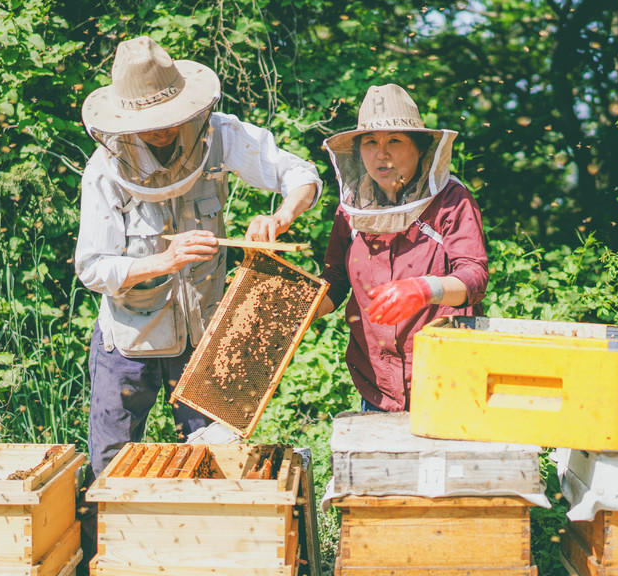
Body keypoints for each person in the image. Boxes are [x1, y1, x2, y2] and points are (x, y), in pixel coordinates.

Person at [75, 35, 321, 478]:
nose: (163, 129)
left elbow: (300, 173)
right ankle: (103, 548)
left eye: (169, 117)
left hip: (205, 336)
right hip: (131, 339)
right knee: (108, 470)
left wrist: (280, 217)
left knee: (218, 464)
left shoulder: (219, 134)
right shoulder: (104, 170)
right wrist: (163, 261)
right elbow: (92, 267)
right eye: (150, 121)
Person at [316, 84, 488, 411]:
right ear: (358, 151)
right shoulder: (352, 208)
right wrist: (301, 312)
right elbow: (336, 278)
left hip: (446, 381)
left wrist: (424, 289)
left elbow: (474, 276)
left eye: (394, 140)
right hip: (376, 385)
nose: (382, 153)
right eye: (371, 142)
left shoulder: (452, 200)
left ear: (420, 147)